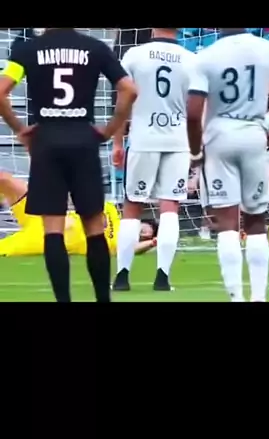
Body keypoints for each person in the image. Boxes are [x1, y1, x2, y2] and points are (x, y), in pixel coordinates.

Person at [0, 27, 137, 303]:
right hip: (84, 140)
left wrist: (20, 129)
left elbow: (1, 91)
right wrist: (110, 128)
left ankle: (63, 300)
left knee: (53, 229)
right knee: (94, 226)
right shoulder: (95, 47)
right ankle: (103, 299)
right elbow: (129, 89)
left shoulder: (27, 49)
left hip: (46, 142)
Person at [187, 28, 269, 303]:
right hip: (254, 137)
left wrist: (196, 152)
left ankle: (236, 298)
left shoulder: (206, 56)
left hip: (219, 137)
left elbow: (193, 114)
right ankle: (259, 297)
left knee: (226, 224)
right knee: (256, 221)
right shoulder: (267, 48)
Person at [111, 27, 194, 293]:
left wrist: (117, 142)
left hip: (143, 138)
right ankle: (162, 278)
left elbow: (121, 101)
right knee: (170, 206)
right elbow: (196, 107)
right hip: (177, 141)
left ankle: (122, 277)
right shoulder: (191, 59)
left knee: (133, 205)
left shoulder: (134, 55)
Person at [0, 170, 157, 257]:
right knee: (4, 179)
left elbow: (131, 250)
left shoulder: (116, 244)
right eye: (144, 229)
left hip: (46, 239)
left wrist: (152, 243)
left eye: (145, 236)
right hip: (48, 214)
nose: (143, 233)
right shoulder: (111, 209)